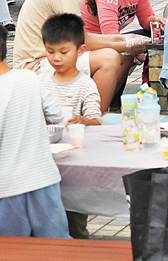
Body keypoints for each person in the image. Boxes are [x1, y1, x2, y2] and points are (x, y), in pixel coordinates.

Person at [13, 0, 149, 112]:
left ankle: (101, 108)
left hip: (53, 55)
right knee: (109, 58)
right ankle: (94, 117)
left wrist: (124, 43)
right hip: (37, 64)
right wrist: (125, 43)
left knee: (120, 53)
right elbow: (81, 40)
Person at [0, 18, 70, 238]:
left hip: (8, 184)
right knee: (56, 242)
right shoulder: (29, 78)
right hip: (43, 177)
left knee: (11, 247)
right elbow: (57, 114)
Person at [39, 13, 101, 240]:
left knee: (75, 220)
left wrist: (83, 120)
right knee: (44, 220)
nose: (56, 58)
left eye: (63, 52)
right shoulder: (42, 79)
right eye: (50, 51)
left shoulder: (85, 84)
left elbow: (96, 121)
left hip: (76, 163)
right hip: (46, 161)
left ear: (80, 51)